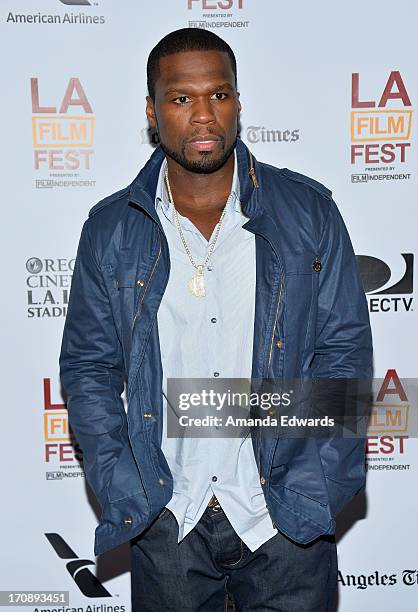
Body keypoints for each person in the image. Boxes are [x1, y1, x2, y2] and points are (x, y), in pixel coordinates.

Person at [59, 28, 372, 612]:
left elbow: (345, 353)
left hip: (284, 517)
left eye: (219, 96)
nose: (204, 116)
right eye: (181, 99)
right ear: (153, 112)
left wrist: (318, 485)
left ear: (238, 103)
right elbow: (88, 368)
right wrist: (125, 486)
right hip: (169, 518)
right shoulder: (111, 230)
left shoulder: (308, 211)